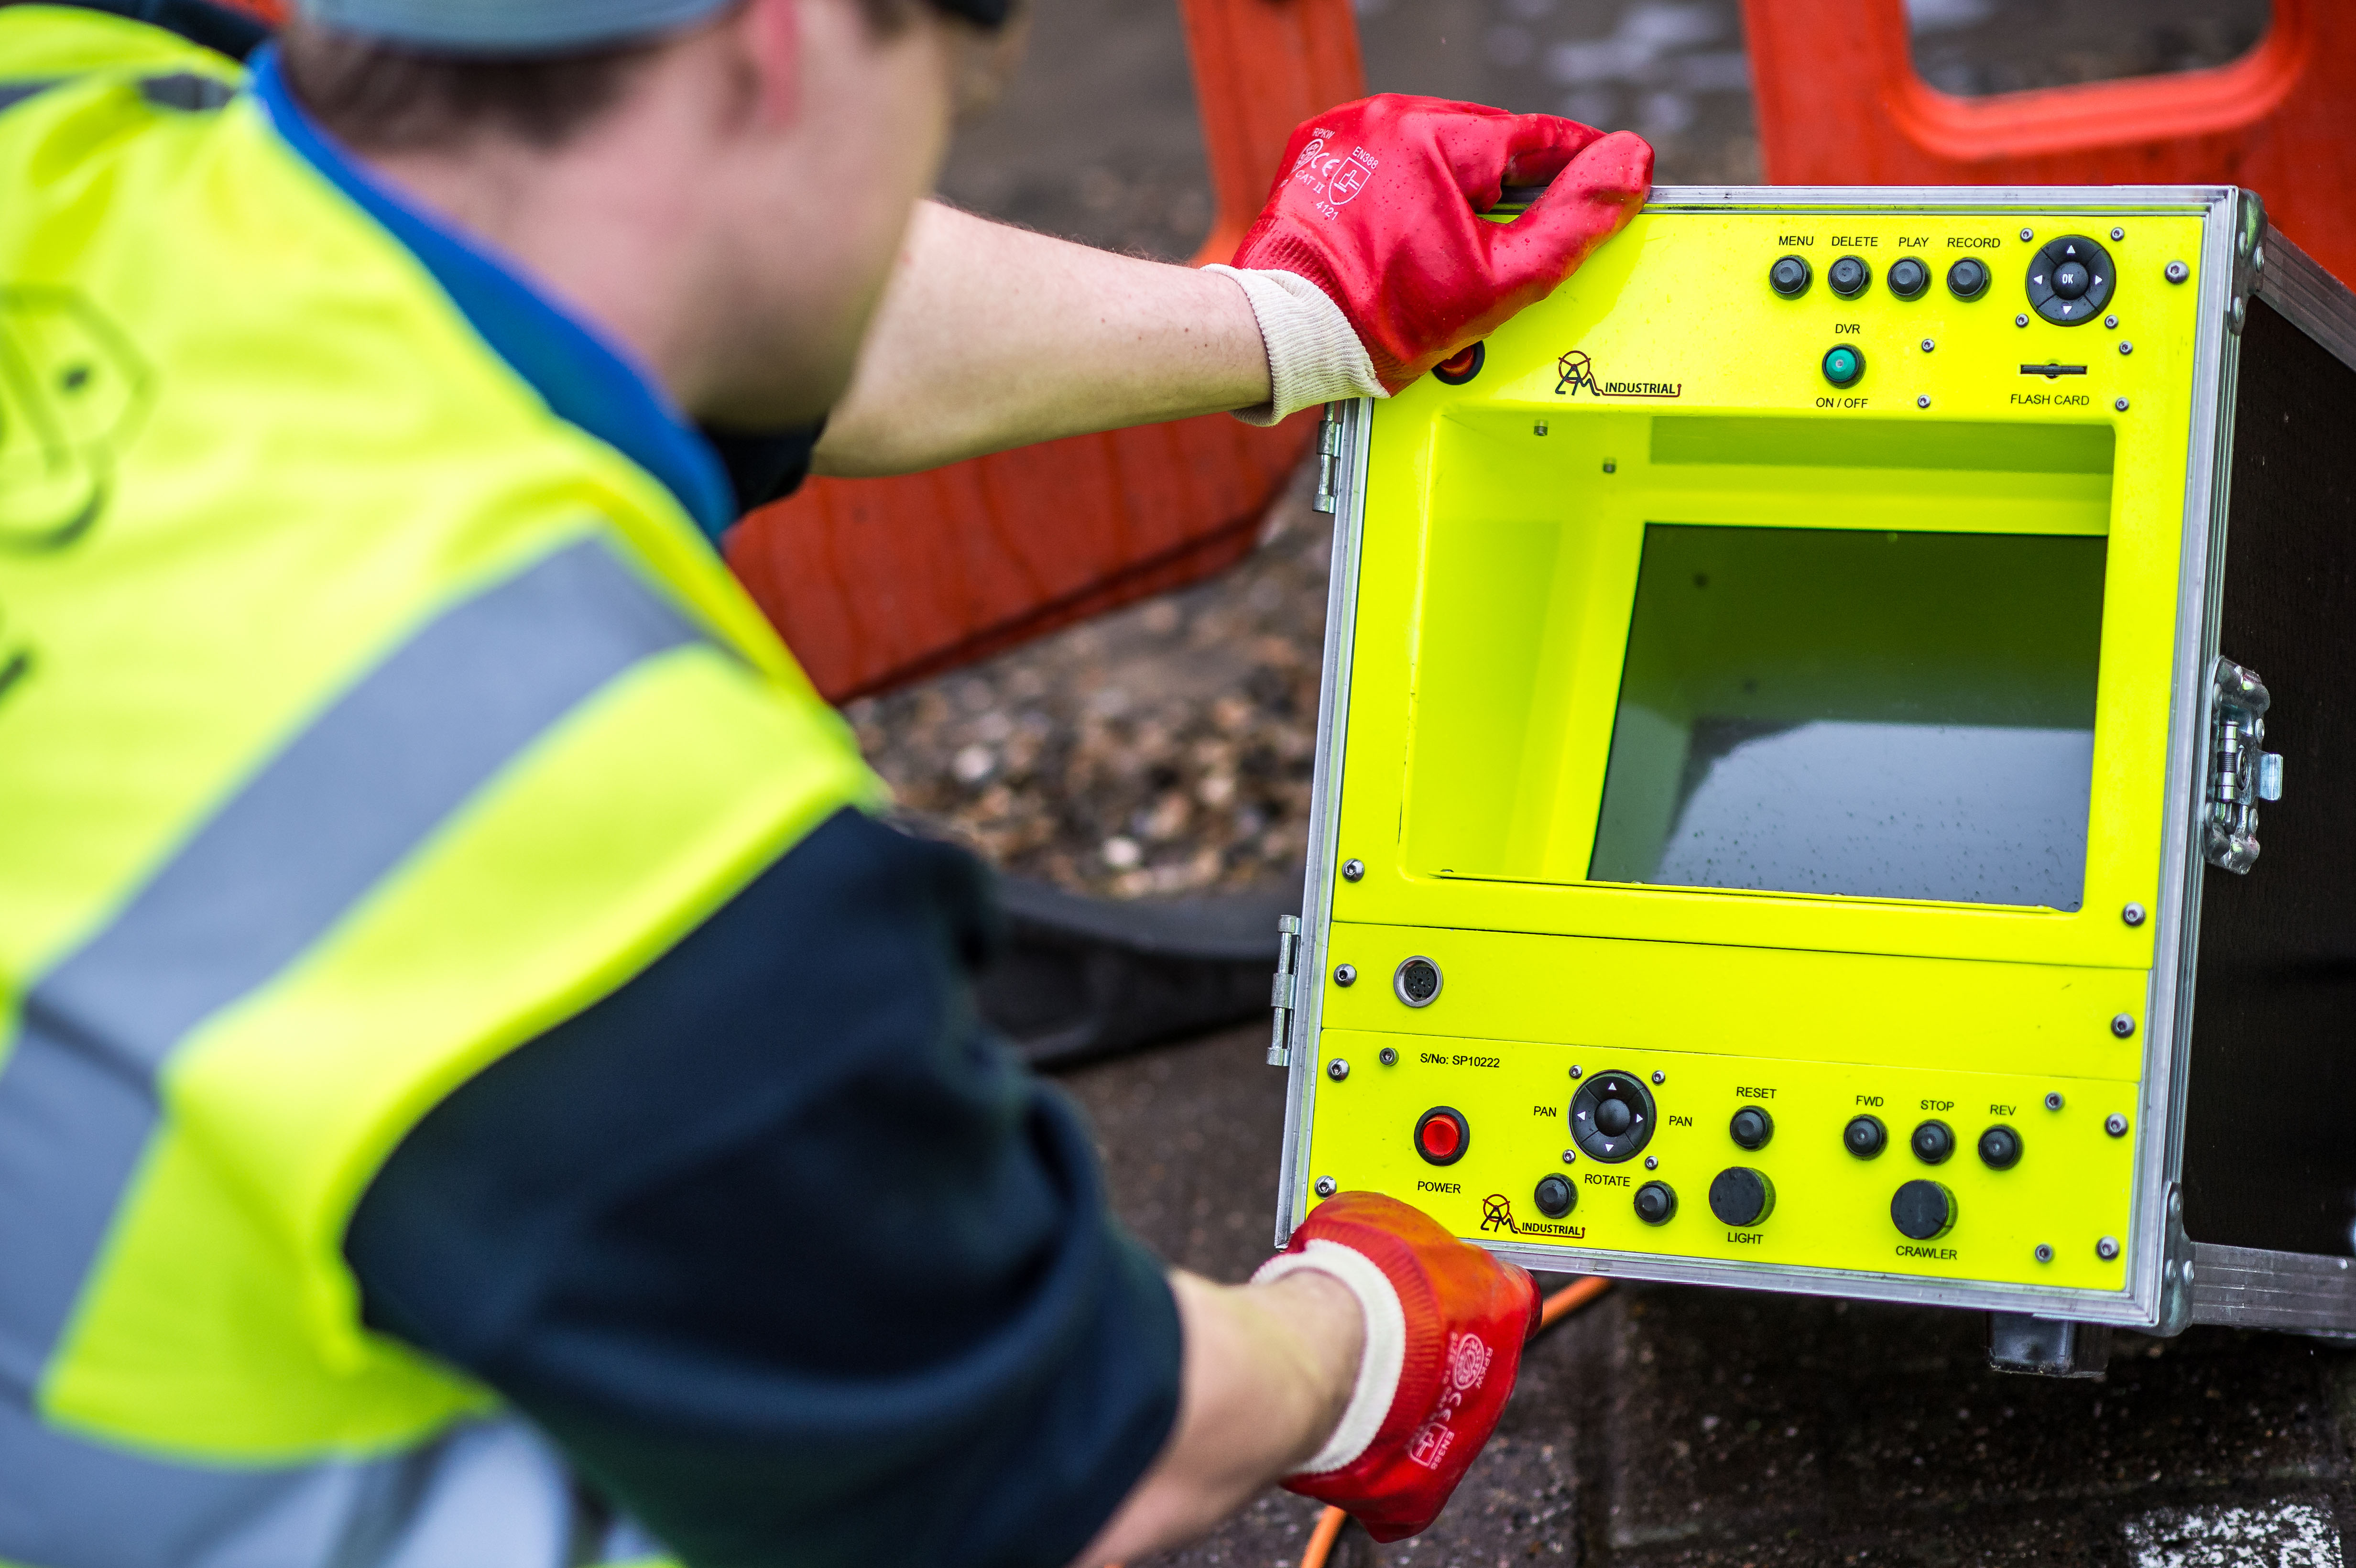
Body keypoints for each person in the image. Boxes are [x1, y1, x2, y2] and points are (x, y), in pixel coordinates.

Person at [0, 0, 1650, 1562]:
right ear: (784, 42)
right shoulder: (615, 830)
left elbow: (691, 256)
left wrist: (1289, 322)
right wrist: (1354, 1340)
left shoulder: (70, 90)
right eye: (942, 96)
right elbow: (1058, 1444)